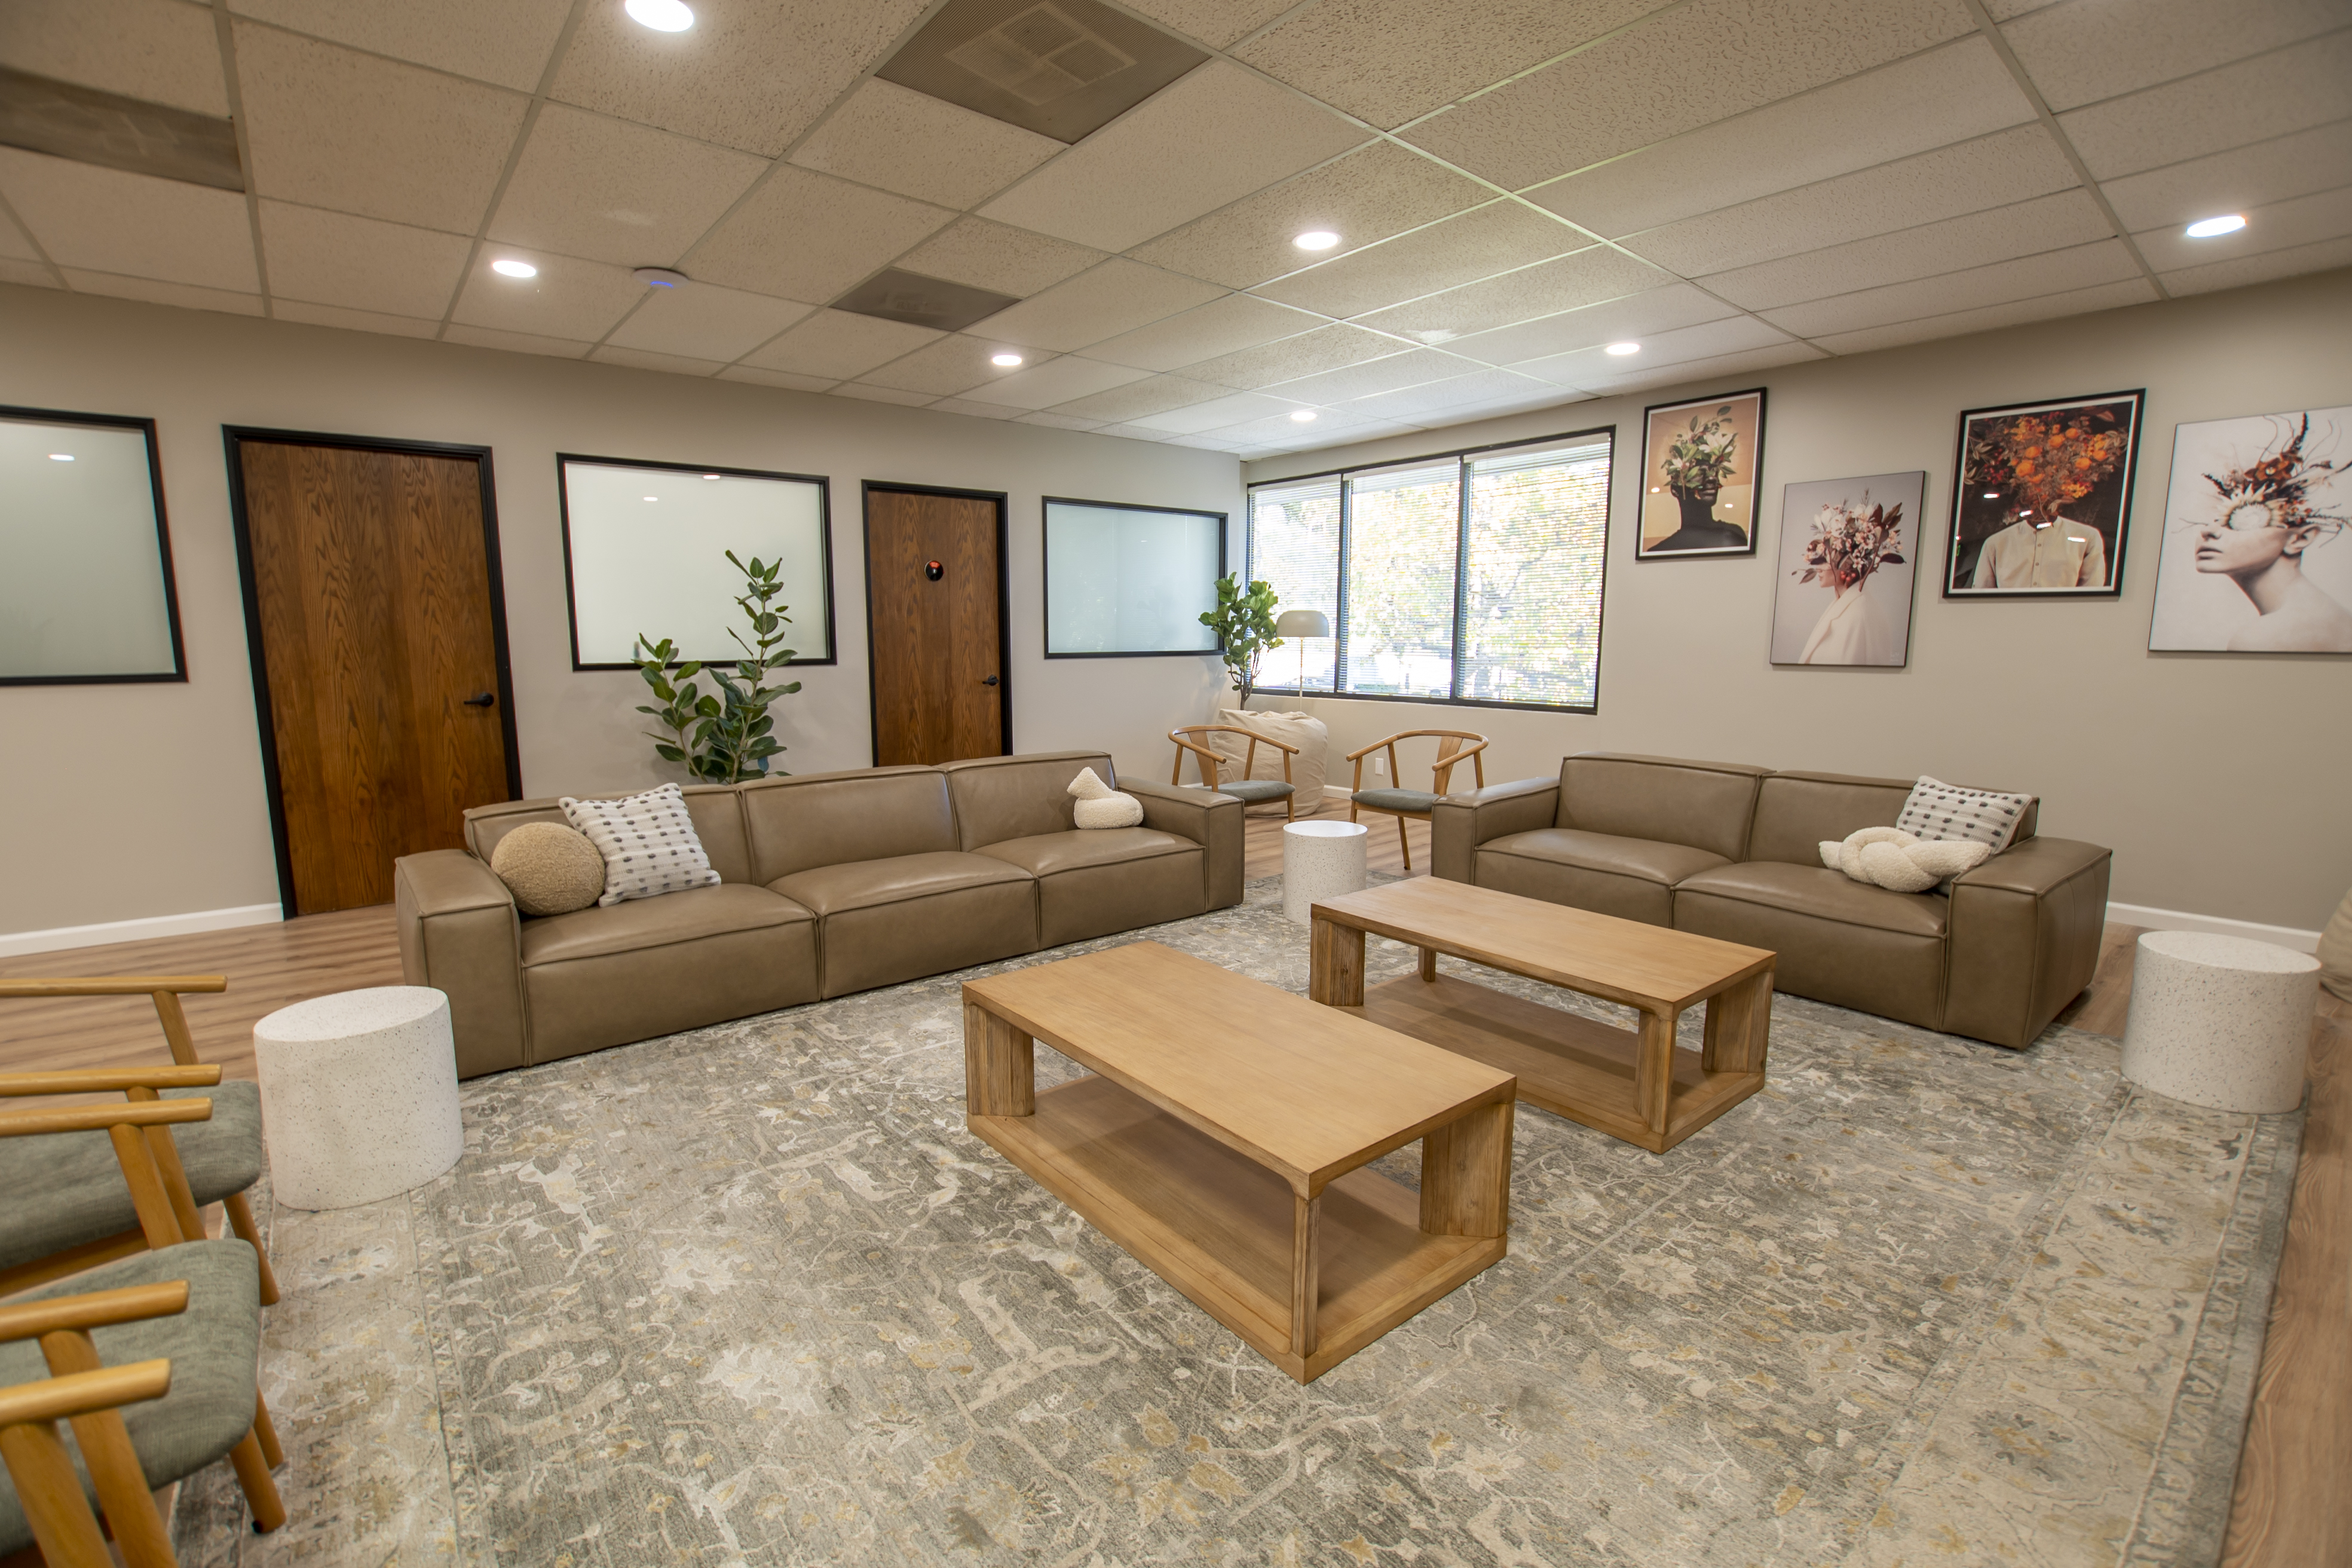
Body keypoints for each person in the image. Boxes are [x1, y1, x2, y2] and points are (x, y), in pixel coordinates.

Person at [2189, 415, 2351, 650]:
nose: (2208, 532)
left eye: (2244, 519)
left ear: (2299, 538)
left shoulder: (2267, 636)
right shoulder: (2324, 615)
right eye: (2215, 519)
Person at [1970, 510, 2107, 589]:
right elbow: (1982, 596)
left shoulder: (2088, 537)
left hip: (2065, 627)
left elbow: (2092, 592)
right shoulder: (1996, 543)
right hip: (2008, 627)